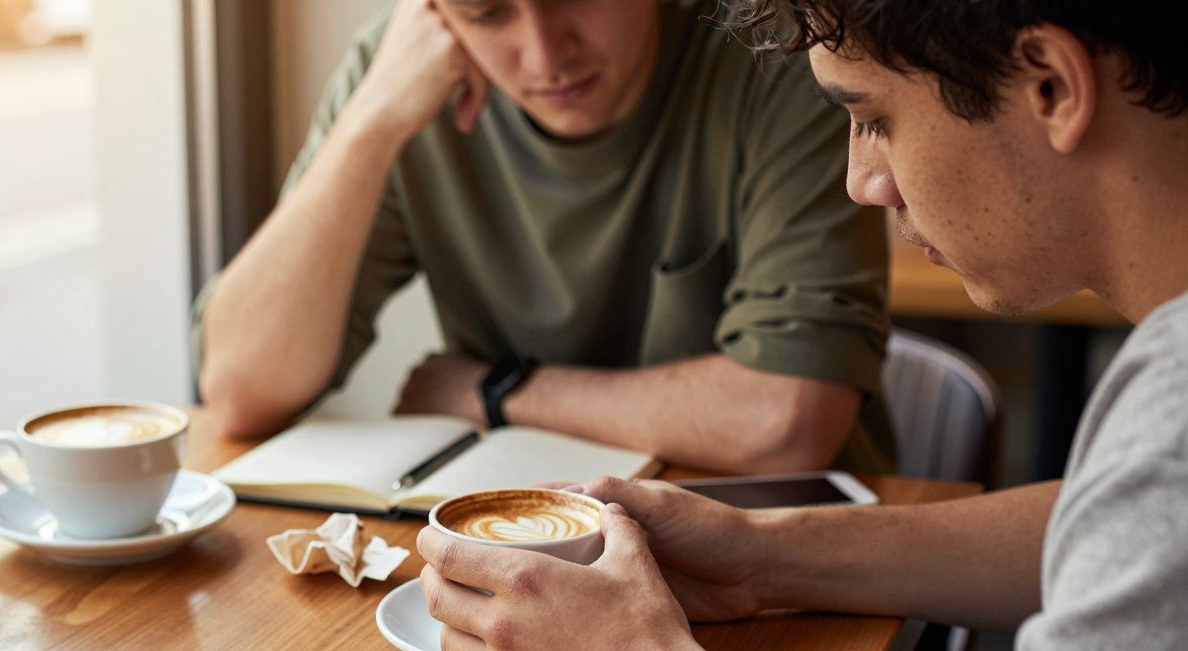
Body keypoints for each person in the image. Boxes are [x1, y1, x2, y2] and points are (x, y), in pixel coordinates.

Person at [417, 1, 1188, 651]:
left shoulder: (1169, 426)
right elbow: (1120, 539)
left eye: (875, 119)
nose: (863, 181)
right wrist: (764, 556)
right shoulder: (1156, 462)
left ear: (1050, 84)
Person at [193, 0, 895, 475]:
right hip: (520, 547)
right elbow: (241, 388)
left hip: (786, 570)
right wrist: (367, 127)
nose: (544, 54)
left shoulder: (777, 46)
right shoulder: (398, 71)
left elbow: (789, 422)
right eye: (488, 11)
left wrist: (499, 394)